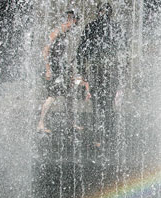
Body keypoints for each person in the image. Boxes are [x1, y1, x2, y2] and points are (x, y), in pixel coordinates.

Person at [76, 2, 126, 143]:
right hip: (111, 69)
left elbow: (81, 50)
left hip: (96, 69)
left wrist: (81, 71)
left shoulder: (90, 27)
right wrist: (123, 72)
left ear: (99, 12)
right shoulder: (116, 28)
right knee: (108, 102)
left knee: (98, 102)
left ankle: (99, 135)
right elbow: (124, 51)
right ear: (111, 13)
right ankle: (107, 134)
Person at [37, 9, 88, 134]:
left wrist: (69, 71)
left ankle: (71, 122)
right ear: (72, 19)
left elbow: (63, 55)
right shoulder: (58, 31)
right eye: (76, 21)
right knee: (52, 95)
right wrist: (48, 70)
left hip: (61, 69)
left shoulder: (65, 33)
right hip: (55, 69)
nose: (76, 24)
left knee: (70, 95)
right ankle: (40, 123)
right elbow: (46, 50)